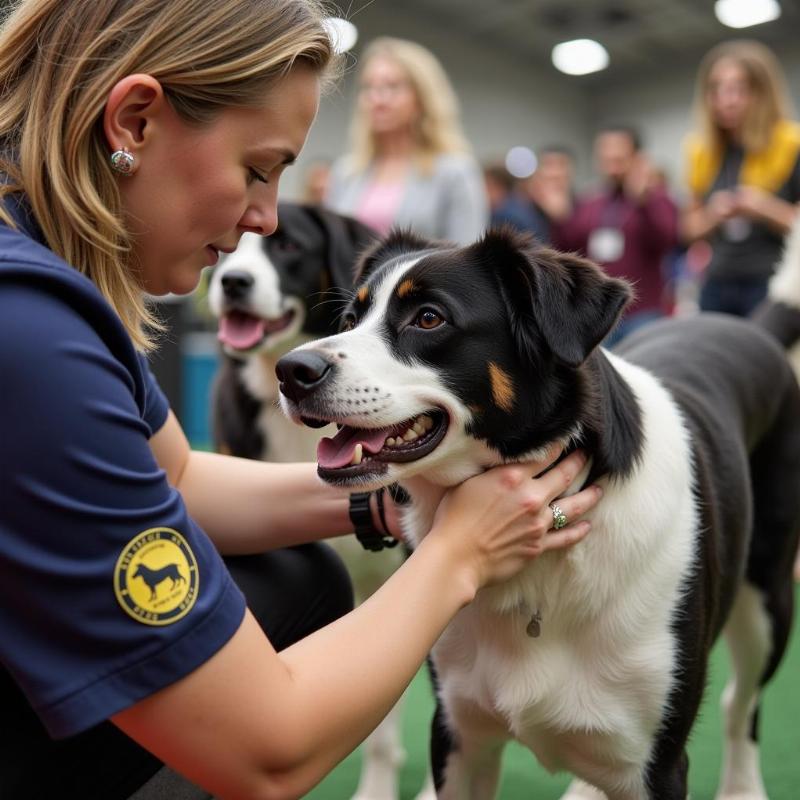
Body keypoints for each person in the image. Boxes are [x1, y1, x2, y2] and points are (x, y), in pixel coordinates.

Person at [0, 2, 601, 799]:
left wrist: (386, 501)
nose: (266, 217)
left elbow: (174, 479)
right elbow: (268, 753)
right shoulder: (30, 332)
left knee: (294, 576)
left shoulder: (41, 279)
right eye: (257, 168)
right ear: (135, 121)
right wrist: (462, 550)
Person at [325, 36, 488, 244]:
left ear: (422, 98)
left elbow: (469, 254)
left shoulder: (454, 171)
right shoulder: (346, 172)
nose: (377, 99)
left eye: (392, 87)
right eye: (368, 87)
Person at [682, 39, 800, 317]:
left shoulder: (791, 145)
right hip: (718, 282)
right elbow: (688, 229)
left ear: (762, 92)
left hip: (773, 283)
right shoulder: (702, 151)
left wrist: (762, 207)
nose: (727, 100)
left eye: (738, 89)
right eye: (717, 89)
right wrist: (713, 214)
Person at [550, 125, 679, 346]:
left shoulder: (656, 199)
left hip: (642, 312)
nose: (611, 164)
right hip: (599, 313)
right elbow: (569, 248)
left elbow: (667, 240)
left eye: (618, 157)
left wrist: (643, 203)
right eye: (605, 157)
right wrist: (559, 218)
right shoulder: (590, 202)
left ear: (636, 158)